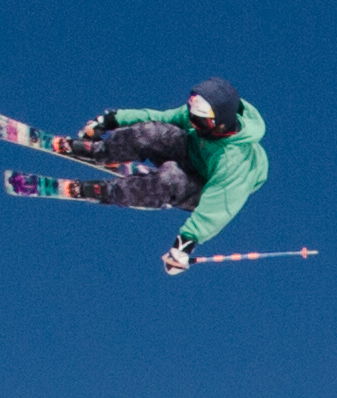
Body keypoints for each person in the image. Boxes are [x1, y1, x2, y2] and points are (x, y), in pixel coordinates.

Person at [56, 77, 271, 274]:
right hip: (193, 152)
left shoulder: (234, 161)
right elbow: (161, 118)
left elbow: (219, 207)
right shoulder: (199, 118)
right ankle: (101, 151)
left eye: (201, 122)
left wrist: (184, 245)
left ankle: (109, 191)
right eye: (192, 117)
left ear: (221, 123)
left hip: (204, 186)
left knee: (170, 180)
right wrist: (113, 119)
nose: (194, 123)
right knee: (150, 133)